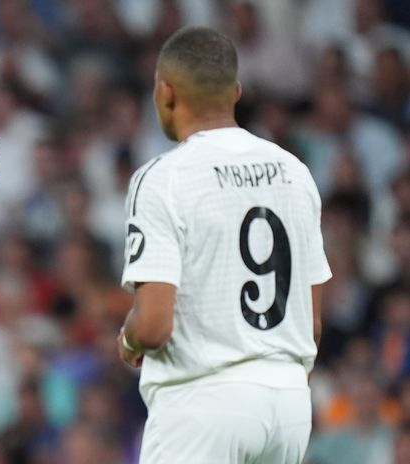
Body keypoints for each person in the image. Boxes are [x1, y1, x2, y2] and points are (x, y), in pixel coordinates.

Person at [117, 27, 331, 463]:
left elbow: (154, 326)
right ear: (235, 91)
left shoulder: (163, 178)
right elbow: (311, 324)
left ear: (165, 93)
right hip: (289, 403)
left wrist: (128, 340)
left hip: (204, 402)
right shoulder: (294, 172)